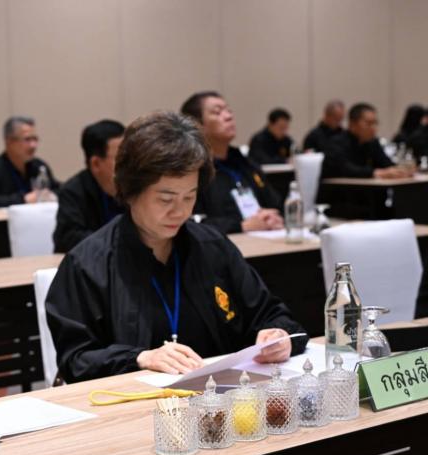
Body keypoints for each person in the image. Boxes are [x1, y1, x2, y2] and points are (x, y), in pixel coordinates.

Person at [45, 112, 307, 384]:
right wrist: (140, 358)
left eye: (189, 197)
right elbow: (76, 360)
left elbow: (272, 315)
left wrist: (279, 337)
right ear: (131, 191)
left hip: (219, 398)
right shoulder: (88, 265)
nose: (180, 211)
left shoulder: (213, 247)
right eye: (165, 199)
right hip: (134, 402)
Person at [180, 91, 283, 234]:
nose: (229, 116)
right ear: (197, 125)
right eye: (217, 112)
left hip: (264, 239)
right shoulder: (189, 170)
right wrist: (241, 226)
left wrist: (272, 217)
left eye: (228, 111)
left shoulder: (244, 162)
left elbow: (275, 203)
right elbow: (190, 222)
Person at [53, 119, 124, 253]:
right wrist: (117, 241)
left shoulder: (135, 187)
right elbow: (68, 239)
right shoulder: (72, 192)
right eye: (121, 158)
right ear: (96, 164)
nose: (129, 164)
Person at [0, 116, 60, 207]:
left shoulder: (39, 165)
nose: (33, 145)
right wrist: (23, 199)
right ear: (9, 141)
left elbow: (58, 189)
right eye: (27, 139)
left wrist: (51, 195)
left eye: (35, 139)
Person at [321, 103, 409, 180]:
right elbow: (344, 168)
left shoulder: (372, 142)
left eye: (375, 123)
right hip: (341, 191)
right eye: (369, 123)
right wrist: (374, 173)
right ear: (352, 124)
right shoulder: (336, 143)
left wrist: (400, 170)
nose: (373, 128)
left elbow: (386, 163)